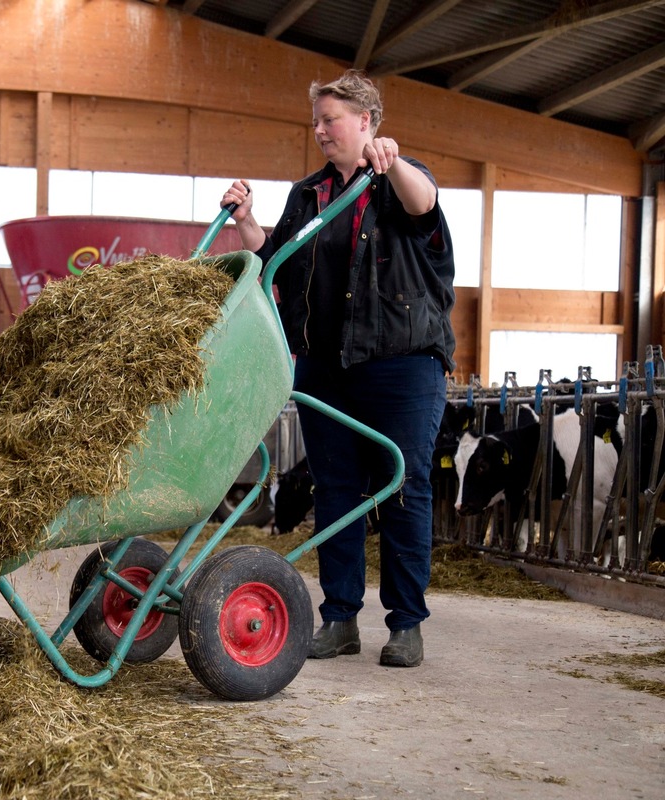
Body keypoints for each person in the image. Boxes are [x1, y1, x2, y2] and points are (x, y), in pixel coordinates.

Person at [221, 70, 455, 668]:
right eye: (317, 120)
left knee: (404, 487)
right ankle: (340, 617)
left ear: (366, 122)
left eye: (331, 119)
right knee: (335, 491)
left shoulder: (400, 180)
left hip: (401, 365)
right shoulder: (309, 195)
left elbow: (423, 207)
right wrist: (247, 218)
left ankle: (406, 624)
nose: (320, 129)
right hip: (326, 367)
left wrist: (394, 161)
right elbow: (275, 257)